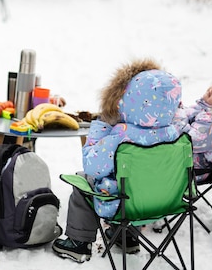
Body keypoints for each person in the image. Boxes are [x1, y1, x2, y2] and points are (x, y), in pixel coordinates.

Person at [53, 59, 183, 263]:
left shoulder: (121, 136)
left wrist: (100, 130)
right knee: (134, 185)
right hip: (165, 204)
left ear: (130, 100)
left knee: (84, 180)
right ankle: (127, 237)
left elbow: (93, 167)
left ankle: (78, 243)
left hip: (122, 207)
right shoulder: (176, 136)